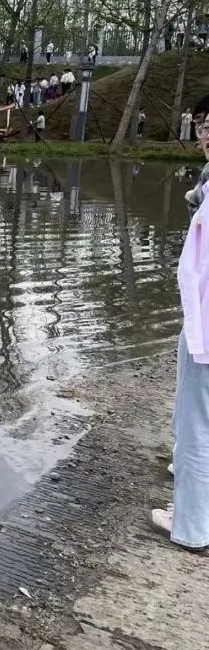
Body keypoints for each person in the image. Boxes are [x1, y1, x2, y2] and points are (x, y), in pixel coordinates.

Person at [153, 117, 209, 552]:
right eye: (205, 125)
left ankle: (191, 527)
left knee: (195, 429)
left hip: (205, 335)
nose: (207, 135)